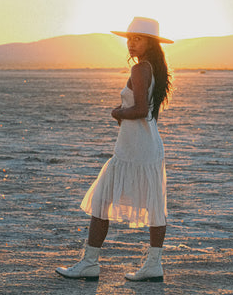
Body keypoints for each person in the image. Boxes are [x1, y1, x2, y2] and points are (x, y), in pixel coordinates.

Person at [56, 17, 173, 282]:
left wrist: (117, 111)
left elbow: (141, 110)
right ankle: (154, 265)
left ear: (150, 43)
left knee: (101, 201)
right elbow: (148, 111)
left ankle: (89, 263)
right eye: (129, 38)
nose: (131, 43)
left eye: (138, 39)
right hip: (148, 145)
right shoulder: (155, 68)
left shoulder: (141, 69)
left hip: (133, 149)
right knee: (155, 205)